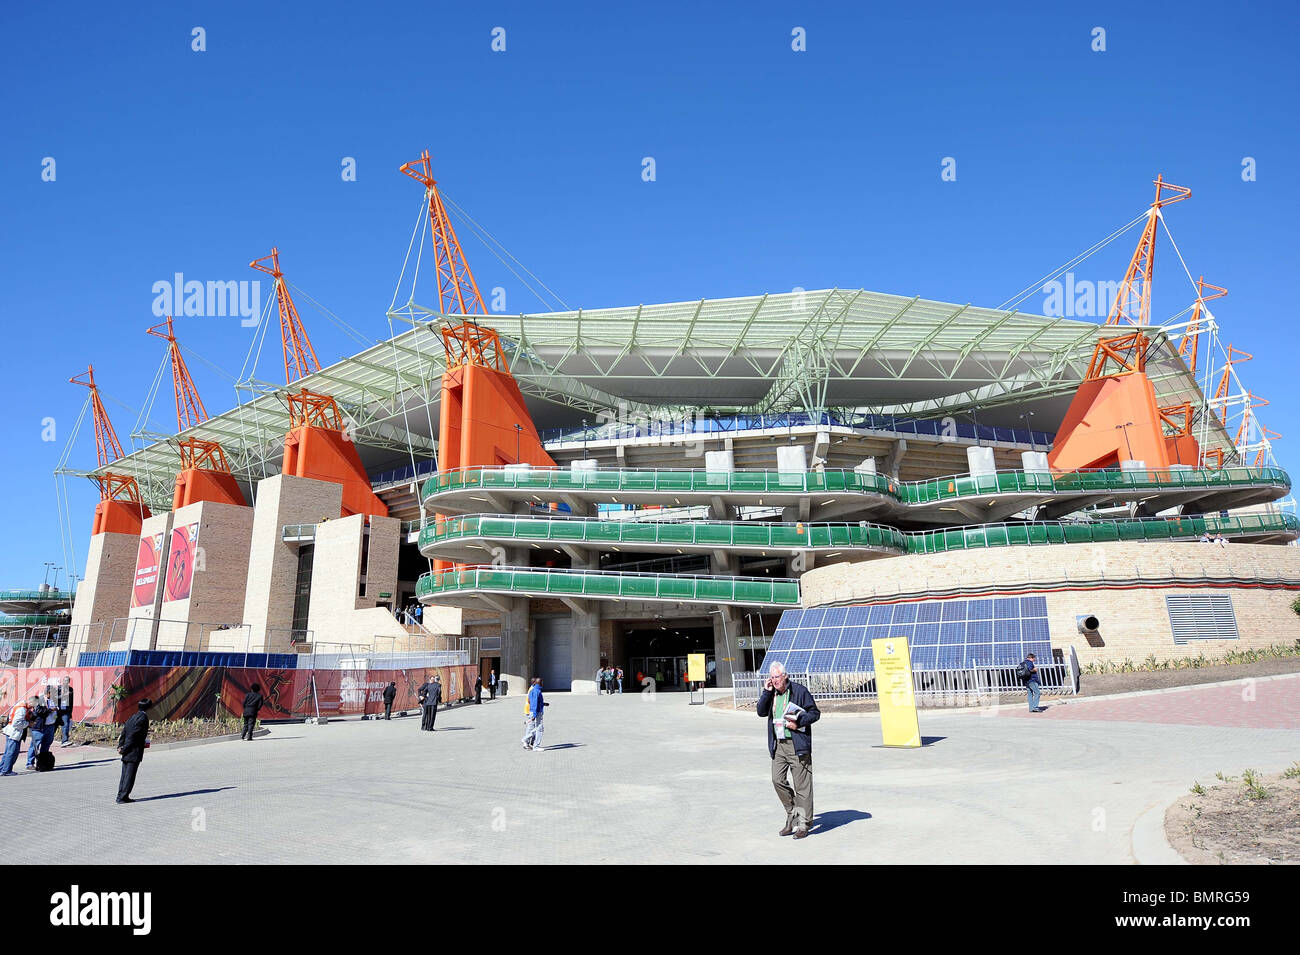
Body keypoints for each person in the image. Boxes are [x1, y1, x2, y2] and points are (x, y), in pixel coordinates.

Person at [756, 661, 820, 839]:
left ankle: (804, 824)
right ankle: (793, 813)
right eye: (771, 677)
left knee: (802, 786)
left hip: (797, 744)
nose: (774, 680)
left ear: (785, 676)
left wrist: (798, 722)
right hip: (779, 745)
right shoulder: (772, 693)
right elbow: (761, 712)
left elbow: (815, 713)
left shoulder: (799, 691)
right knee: (777, 780)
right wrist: (766, 692)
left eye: (777, 677)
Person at [116, 698, 152, 804]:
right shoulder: (143, 718)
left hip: (127, 749)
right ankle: (123, 797)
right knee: (129, 776)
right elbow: (133, 735)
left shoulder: (133, 716)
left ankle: (121, 795)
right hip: (133, 750)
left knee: (124, 775)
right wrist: (125, 748)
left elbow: (125, 731)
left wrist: (121, 745)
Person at [1, 695, 37, 776]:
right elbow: (16, 723)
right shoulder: (22, 709)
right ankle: (6, 770)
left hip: (11, 732)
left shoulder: (21, 706)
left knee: (8, 752)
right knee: (12, 753)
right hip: (14, 733)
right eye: (34, 705)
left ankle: (2, 769)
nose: (33, 707)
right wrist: (28, 723)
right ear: (31, 702)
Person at [25, 688, 56, 770]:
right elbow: (38, 710)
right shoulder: (39, 699)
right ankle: (30, 763)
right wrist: (50, 710)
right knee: (35, 745)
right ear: (48, 693)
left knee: (46, 744)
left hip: (51, 725)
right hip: (40, 727)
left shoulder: (53, 700)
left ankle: (43, 762)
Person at [521, 677, 547, 751]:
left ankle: (527, 740)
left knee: (535, 728)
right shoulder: (536, 691)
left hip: (534, 711)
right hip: (536, 712)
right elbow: (533, 703)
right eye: (542, 682)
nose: (543, 684)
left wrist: (543, 704)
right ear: (540, 683)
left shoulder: (534, 689)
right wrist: (534, 714)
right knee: (539, 729)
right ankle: (534, 745)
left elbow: (532, 701)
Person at [56, 676, 75, 746]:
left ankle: (64, 741)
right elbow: (55, 698)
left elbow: (71, 702)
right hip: (58, 710)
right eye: (64, 680)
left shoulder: (71, 689)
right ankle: (46, 740)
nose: (65, 682)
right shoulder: (59, 688)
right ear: (62, 681)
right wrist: (63, 695)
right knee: (53, 726)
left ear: (69, 682)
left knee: (66, 725)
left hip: (66, 711)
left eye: (67, 681)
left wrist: (70, 712)